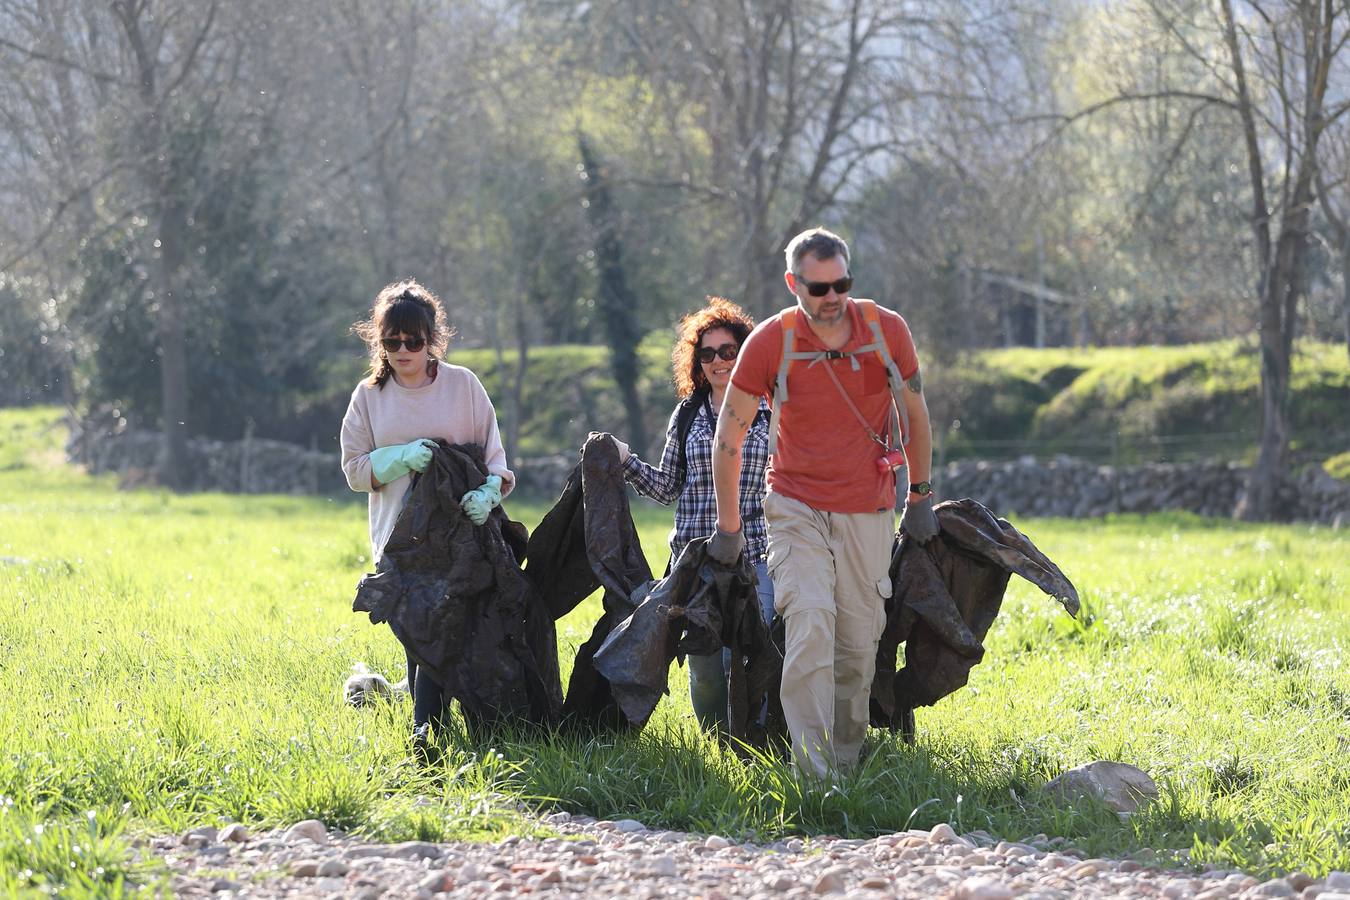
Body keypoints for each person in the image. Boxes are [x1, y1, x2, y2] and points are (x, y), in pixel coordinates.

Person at [707, 227, 939, 777]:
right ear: (793, 284)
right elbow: (728, 438)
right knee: (810, 624)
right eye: (817, 288)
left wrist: (922, 495)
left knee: (858, 646)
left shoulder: (887, 332)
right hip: (795, 506)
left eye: (841, 284)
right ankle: (813, 778)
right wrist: (728, 526)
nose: (831, 297)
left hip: (870, 508)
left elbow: (916, 416)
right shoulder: (771, 341)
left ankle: (845, 765)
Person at [339, 279, 514, 750]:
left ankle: (428, 734)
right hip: (399, 541)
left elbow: (497, 463)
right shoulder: (368, 398)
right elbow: (354, 470)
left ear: (432, 338)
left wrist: (488, 496)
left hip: (462, 536)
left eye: (412, 340)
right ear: (380, 341)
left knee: (438, 630)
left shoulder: (464, 387)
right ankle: (428, 730)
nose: (402, 350)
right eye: (391, 341)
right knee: (421, 633)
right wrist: (398, 459)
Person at [608, 297, 774, 732]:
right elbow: (667, 487)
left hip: (756, 558)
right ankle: (720, 746)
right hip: (695, 563)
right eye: (708, 354)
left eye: (728, 351)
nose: (719, 361)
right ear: (697, 363)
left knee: (751, 654)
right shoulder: (687, 415)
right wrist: (624, 460)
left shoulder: (772, 412)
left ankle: (755, 744)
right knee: (703, 671)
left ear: (747, 353)